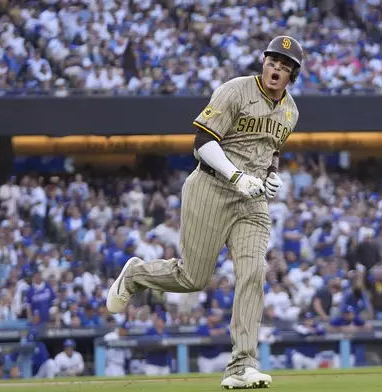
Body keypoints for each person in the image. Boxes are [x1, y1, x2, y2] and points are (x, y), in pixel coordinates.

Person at [106, 35, 304, 390]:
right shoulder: (235, 90)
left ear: (292, 76)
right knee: (192, 278)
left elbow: (271, 150)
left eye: (285, 66)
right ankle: (136, 275)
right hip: (212, 186)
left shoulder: (291, 111)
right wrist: (235, 175)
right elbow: (201, 143)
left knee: (253, 274)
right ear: (263, 62)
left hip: (252, 201)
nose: (277, 69)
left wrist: (272, 177)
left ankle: (242, 364)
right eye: (273, 62)